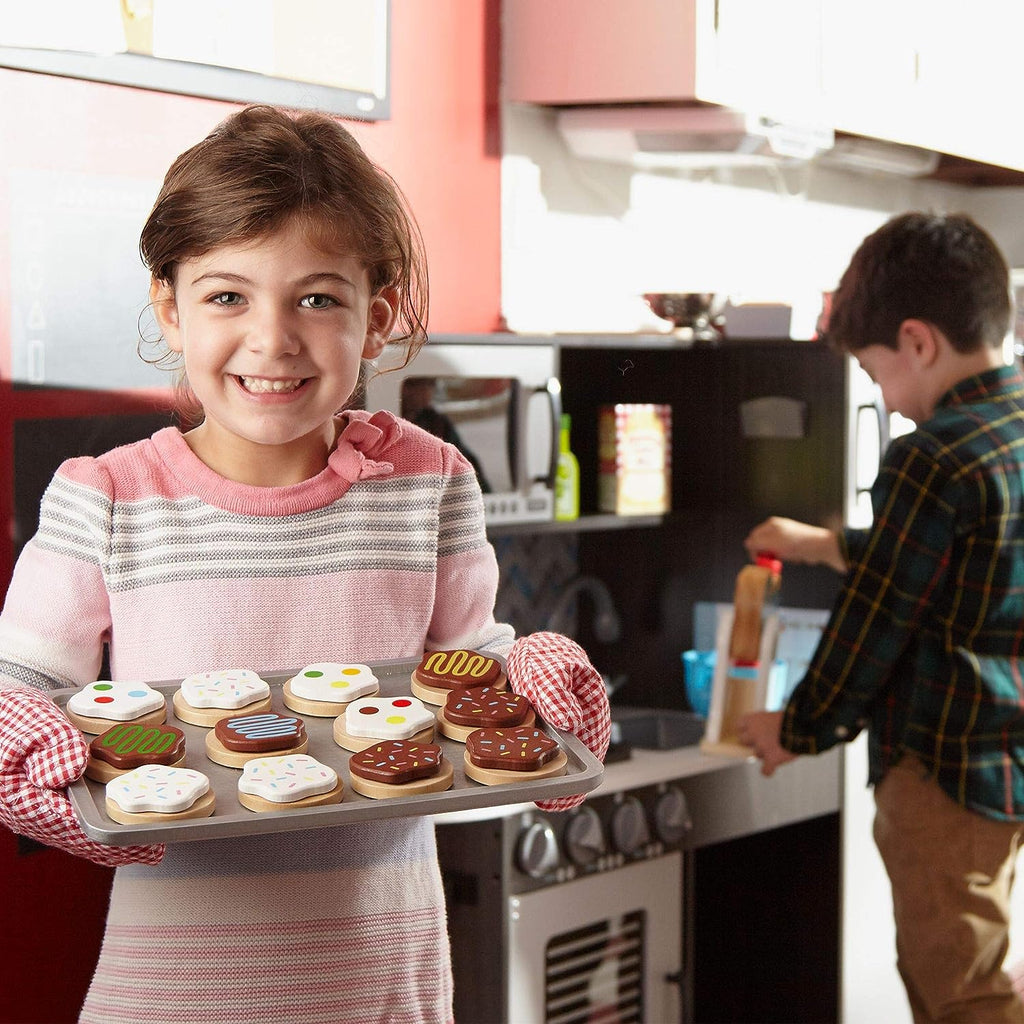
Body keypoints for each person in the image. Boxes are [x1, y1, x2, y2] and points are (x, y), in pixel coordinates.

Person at [0, 104, 610, 1023]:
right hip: (173, 993)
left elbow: (469, 676)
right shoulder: (108, 498)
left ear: (380, 314)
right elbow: (19, 683)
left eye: (317, 298)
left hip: (382, 984)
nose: (273, 339)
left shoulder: (427, 481)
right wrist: (22, 752)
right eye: (226, 296)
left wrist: (536, 675)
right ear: (170, 307)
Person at [738, 211, 1024, 1023]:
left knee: (959, 994)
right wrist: (828, 545)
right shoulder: (1013, 435)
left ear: (918, 342)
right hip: (1009, 760)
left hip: (943, 775)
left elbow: (874, 628)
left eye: (874, 373)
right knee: (992, 973)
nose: (888, 404)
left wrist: (797, 727)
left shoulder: (930, 455)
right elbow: (964, 568)